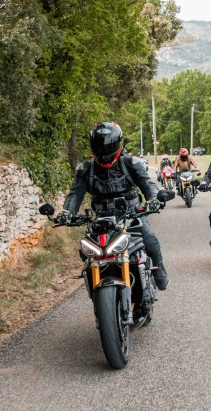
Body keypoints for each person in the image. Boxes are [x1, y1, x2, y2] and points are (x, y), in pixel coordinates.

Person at [59, 122, 170, 290]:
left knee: (151, 242)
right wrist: (67, 212)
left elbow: (148, 184)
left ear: (119, 144)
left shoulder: (131, 163)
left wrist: (154, 198)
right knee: (86, 252)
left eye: (109, 146)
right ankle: (95, 282)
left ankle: (159, 272)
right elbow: (75, 194)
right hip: (102, 221)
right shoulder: (86, 169)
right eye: (100, 147)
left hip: (132, 216)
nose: (104, 151)